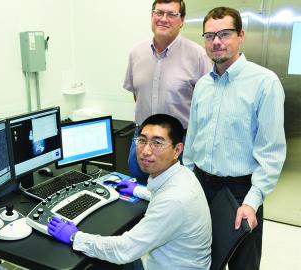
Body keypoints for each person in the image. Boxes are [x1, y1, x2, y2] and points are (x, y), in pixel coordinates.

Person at [182, 6, 287, 270]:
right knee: (203, 258)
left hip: (242, 191)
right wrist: (186, 182)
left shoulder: (265, 83)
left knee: (243, 264)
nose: (216, 42)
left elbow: (271, 153)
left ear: (241, 35)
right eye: (209, 36)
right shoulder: (203, 85)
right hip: (202, 187)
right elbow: (193, 139)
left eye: (225, 34)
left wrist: (252, 202)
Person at [48, 114, 212, 270]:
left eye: (157, 143)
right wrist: (138, 190)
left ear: (177, 150)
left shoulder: (175, 200)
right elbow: (163, 195)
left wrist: (74, 237)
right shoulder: (183, 174)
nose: (146, 151)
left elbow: (124, 250)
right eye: (142, 140)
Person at [123, 0, 211, 180]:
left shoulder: (197, 55)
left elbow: (208, 104)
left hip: (179, 142)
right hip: (141, 139)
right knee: (138, 193)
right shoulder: (136, 53)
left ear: (182, 20)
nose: (164, 19)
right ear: (151, 16)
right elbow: (136, 94)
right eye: (159, 13)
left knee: (176, 195)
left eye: (171, 14)